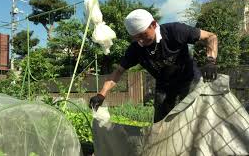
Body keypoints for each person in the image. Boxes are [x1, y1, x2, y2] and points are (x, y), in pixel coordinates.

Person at [89, 9, 218, 122]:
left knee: (192, 118)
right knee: (160, 122)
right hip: (164, 85)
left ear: (154, 24)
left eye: (143, 35)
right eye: (135, 37)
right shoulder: (135, 49)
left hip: (189, 80)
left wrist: (211, 60)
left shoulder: (175, 31)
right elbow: (117, 72)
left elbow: (211, 37)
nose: (140, 40)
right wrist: (101, 94)